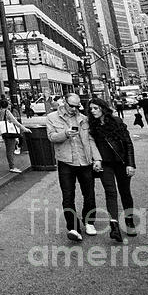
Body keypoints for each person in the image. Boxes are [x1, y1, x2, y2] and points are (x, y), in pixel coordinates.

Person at [47, 93, 98, 242]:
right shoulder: (52, 117)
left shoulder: (84, 118)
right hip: (66, 162)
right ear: (64, 102)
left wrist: (97, 159)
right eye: (71, 105)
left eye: (77, 106)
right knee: (68, 196)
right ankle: (73, 227)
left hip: (84, 161)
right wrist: (65, 134)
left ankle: (89, 222)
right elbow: (51, 137)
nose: (74, 109)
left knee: (89, 194)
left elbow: (90, 139)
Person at [87, 98, 137, 241]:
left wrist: (130, 164)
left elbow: (128, 143)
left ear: (103, 108)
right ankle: (114, 226)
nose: (93, 111)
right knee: (110, 192)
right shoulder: (92, 126)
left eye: (95, 108)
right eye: (91, 109)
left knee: (125, 192)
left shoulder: (117, 122)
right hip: (105, 164)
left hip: (121, 162)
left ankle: (129, 221)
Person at [0, 98, 30, 172]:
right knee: (10, 149)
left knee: (9, 148)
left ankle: (11, 165)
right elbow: (15, 121)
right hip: (10, 131)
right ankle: (12, 166)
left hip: (4, 131)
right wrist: (24, 128)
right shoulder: (7, 112)